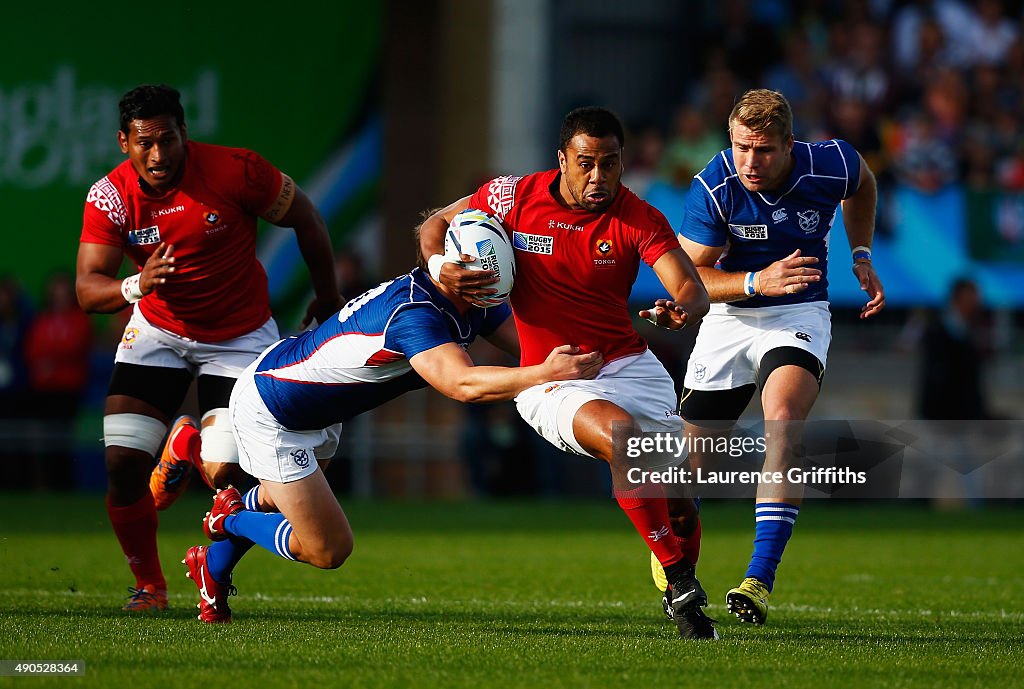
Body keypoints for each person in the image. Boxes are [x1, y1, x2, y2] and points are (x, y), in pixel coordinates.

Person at [417, 107, 717, 639]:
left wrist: (682, 308)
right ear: (562, 161)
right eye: (586, 164)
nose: (598, 177)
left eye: (610, 164)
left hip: (629, 367)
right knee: (622, 440)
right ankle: (678, 579)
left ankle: (682, 579)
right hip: (550, 377)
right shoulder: (511, 198)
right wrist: (443, 266)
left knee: (682, 508)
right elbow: (435, 224)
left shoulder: (637, 217)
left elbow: (689, 286)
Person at [182, 250, 603, 623]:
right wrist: (548, 373)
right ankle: (227, 517)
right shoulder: (416, 314)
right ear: (462, 271)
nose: (500, 291)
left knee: (279, 501)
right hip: (275, 407)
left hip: (316, 400)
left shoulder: (467, 291)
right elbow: (462, 384)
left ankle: (212, 566)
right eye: (493, 279)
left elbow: (529, 345)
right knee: (327, 547)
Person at [75, 84, 342, 612]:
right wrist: (137, 285)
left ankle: (192, 459)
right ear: (123, 142)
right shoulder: (110, 196)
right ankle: (150, 586)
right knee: (122, 463)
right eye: (144, 143)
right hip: (158, 332)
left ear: (184, 134)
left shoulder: (238, 171)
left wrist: (329, 294)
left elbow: (306, 217)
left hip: (240, 337)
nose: (158, 154)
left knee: (226, 473)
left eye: (168, 140)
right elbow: (88, 288)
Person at [665, 88, 884, 626]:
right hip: (728, 320)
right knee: (687, 475)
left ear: (789, 144)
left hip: (798, 315)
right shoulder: (714, 186)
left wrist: (861, 254)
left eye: (762, 150)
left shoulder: (830, 164)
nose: (749, 162)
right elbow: (689, 279)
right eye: (740, 147)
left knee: (783, 420)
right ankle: (677, 575)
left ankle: (758, 580)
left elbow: (865, 185)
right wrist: (754, 280)